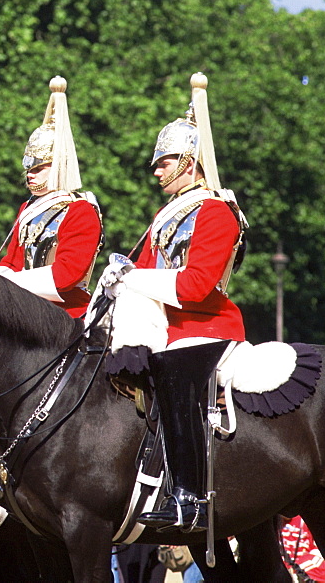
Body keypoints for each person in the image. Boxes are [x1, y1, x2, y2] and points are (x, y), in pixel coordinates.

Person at [102, 73, 248, 533]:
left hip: (207, 327)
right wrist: (118, 273)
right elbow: (144, 267)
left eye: (165, 162)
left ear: (190, 162)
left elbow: (196, 286)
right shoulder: (166, 216)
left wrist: (134, 275)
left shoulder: (217, 212)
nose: (156, 170)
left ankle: (188, 494)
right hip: (164, 328)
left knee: (175, 375)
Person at [0, 76, 102, 318]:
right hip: (22, 306)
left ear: (59, 166)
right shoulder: (28, 208)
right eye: (29, 170)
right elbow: (12, 261)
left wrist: (8, 284)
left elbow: (66, 275)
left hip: (66, 313)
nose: (30, 176)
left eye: (39, 169)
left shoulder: (80, 210)